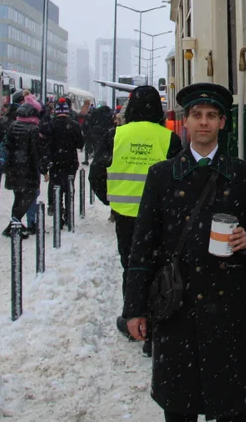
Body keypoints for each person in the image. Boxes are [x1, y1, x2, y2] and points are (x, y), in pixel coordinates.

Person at [124, 83, 246, 422]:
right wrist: (134, 309)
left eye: (211, 116)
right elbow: (142, 248)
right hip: (177, 313)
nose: (203, 122)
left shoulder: (244, 175)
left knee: (233, 409)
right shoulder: (161, 176)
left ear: (222, 122)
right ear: (184, 122)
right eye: (196, 115)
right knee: (179, 408)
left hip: (230, 315)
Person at [90, 86, 182, 339]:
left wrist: (110, 200)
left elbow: (96, 173)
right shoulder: (169, 138)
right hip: (159, 217)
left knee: (131, 267)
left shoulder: (115, 135)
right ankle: (158, 317)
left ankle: (134, 320)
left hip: (126, 215)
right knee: (158, 267)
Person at [2, 101, 47, 238]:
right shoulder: (33, 129)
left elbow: (7, 146)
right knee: (29, 196)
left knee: (19, 197)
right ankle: (13, 225)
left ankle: (15, 225)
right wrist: (43, 169)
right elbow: (36, 152)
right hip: (28, 169)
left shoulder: (12, 126)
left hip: (14, 169)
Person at [45, 98, 85, 223]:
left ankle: (57, 211)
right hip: (70, 162)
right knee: (69, 188)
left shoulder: (50, 125)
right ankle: (68, 215)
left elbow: (44, 144)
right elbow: (80, 144)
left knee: (55, 186)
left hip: (55, 162)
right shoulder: (74, 125)